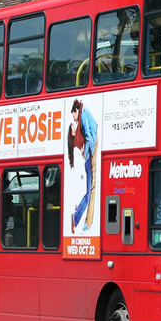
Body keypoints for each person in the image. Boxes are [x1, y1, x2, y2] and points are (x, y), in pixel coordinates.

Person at [67, 99, 98, 232]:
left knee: (90, 189)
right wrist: (87, 154)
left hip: (91, 149)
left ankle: (83, 219)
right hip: (89, 152)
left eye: (73, 115)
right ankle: (79, 218)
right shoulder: (76, 141)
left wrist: (87, 153)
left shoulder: (83, 114)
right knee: (90, 190)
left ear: (75, 111)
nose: (74, 119)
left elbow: (89, 137)